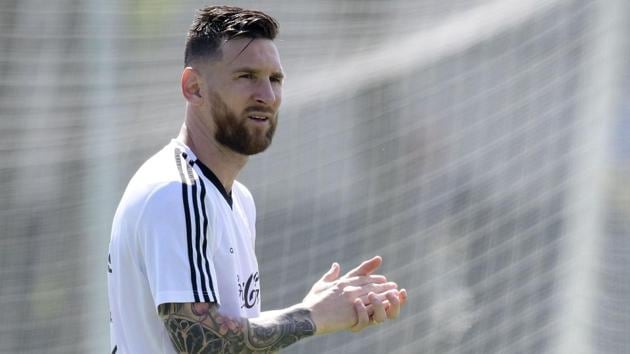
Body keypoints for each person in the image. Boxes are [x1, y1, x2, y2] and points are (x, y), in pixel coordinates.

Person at [107, 5, 407, 353]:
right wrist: (312, 316)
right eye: (246, 76)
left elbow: (227, 331)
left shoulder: (236, 200)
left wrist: (315, 307)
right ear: (194, 88)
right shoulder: (177, 192)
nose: (266, 96)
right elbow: (204, 342)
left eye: (275, 79)